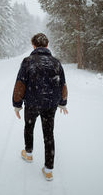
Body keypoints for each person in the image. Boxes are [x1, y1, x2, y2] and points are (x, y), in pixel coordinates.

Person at [12, 33, 68, 181]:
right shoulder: (56, 62)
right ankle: (49, 170)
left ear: (34, 45)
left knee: (29, 127)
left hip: (32, 103)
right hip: (50, 104)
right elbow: (62, 83)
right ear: (47, 45)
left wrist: (17, 104)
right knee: (49, 134)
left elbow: (20, 84)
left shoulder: (28, 61)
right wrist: (62, 102)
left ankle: (28, 154)